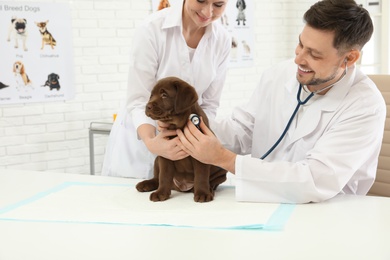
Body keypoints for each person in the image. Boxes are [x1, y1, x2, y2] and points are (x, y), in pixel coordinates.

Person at [176, 0, 387, 203]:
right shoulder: (279, 74)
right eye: (301, 44)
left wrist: (224, 159)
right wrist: (188, 124)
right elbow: (242, 129)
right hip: (264, 202)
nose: (298, 59)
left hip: (327, 213)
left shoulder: (365, 106)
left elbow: (314, 180)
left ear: (349, 59)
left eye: (314, 54)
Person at [102, 0, 231, 178]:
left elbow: (209, 104)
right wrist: (151, 142)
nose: (208, 12)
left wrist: (195, 141)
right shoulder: (152, 29)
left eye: (218, 4)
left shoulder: (222, 40)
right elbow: (139, 99)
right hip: (140, 144)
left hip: (183, 150)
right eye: (201, 0)